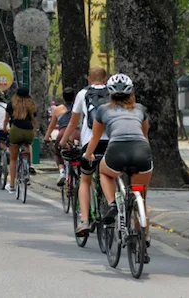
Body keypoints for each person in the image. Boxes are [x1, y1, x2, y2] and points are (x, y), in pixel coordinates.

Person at [85, 73, 153, 263]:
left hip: (116, 152)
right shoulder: (140, 109)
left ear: (110, 93)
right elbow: (144, 134)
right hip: (142, 152)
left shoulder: (103, 110)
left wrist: (87, 155)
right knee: (142, 198)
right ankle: (143, 240)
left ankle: (112, 203)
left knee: (104, 172)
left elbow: (95, 138)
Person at [60, 66, 110, 237]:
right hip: (112, 142)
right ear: (105, 79)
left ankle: (85, 220)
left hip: (91, 144)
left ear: (89, 79)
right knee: (111, 174)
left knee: (85, 180)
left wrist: (63, 140)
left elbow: (73, 123)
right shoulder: (113, 93)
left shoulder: (82, 94)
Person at [3, 87, 37, 193]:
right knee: (28, 144)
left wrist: (5, 129)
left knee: (13, 159)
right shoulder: (32, 105)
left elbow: (6, 120)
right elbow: (34, 120)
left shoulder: (11, 104)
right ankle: (29, 165)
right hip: (28, 131)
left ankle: (12, 185)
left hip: (15, 130)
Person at [44, 87, 80, 186]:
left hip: (62, 133)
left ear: (63, 98)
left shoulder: (58, 109)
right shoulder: (78, 108)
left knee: (58, 153)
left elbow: (51, 127)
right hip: (77, 133)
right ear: (74, 98)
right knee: (78, 153)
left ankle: (62, 172)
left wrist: (46, 138)